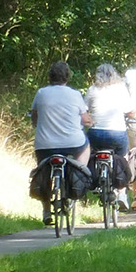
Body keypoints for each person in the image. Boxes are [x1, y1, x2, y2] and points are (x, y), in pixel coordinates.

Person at [29, 62, 89, 225]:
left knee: (43, 171)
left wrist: (38, 124)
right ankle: (80, 172)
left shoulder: (41, 93)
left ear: (50, 77)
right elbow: (85, 119)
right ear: (67, 77)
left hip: (45, 144)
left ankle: (46, 210)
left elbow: (34, 116)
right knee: (86, 145)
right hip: (73, 143)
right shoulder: (75, 94)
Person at [83, 63, 136, 210]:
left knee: (90, 153)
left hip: (96, 133)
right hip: (117, 133)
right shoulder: (120, 88)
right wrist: (132, 114)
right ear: (114, 74)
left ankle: (93, 180)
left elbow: (84, 110)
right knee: (123, 156)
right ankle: (122, 193)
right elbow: (130, 110)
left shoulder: (92, 90)